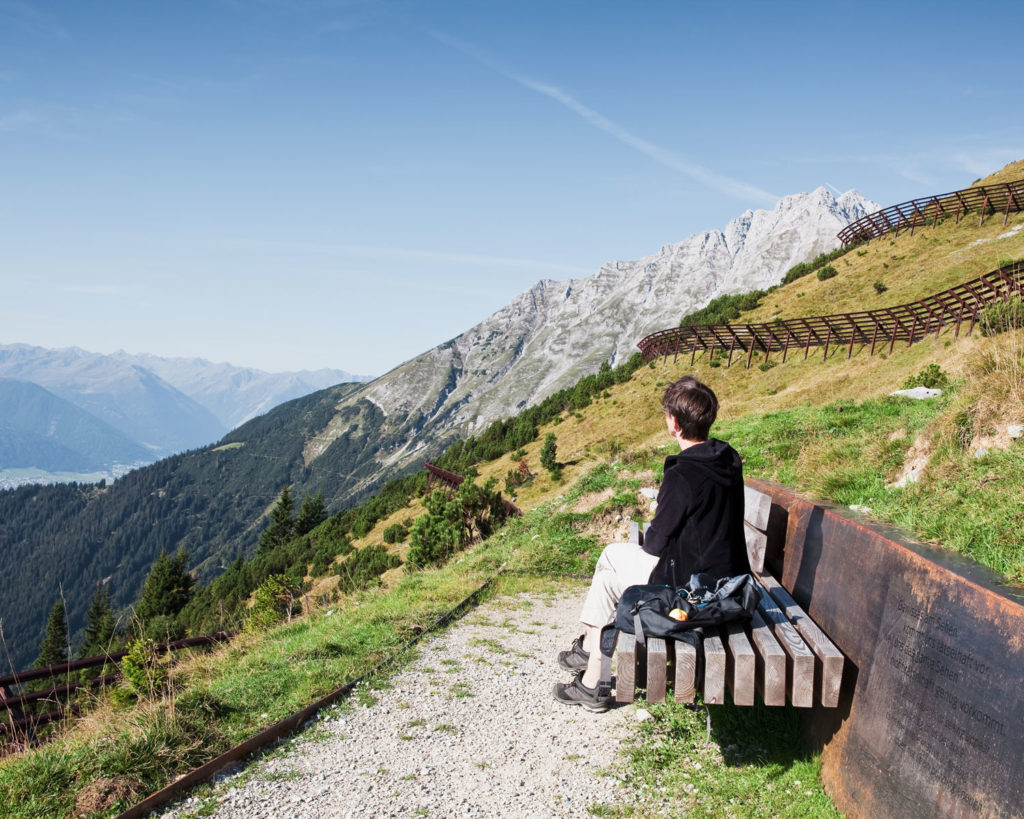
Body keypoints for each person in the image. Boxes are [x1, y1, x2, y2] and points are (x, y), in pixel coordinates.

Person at [553, 375, 748, 712]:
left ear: (674, 422)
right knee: (611, 556)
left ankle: (592, 679)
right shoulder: (726, 457)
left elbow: (654, 544)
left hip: (691, 589)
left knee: (607, 578)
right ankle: (587, 647)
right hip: (726, 578)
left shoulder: (684, 472)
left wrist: (662, 512)